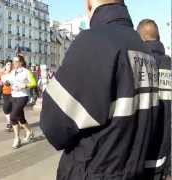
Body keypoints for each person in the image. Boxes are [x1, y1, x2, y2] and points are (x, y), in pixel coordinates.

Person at [40, 0, 161, 179]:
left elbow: (54, 125)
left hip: (95, 169)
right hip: (134, 168)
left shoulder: (94, 41)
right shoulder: (143, 48)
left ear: (89, 4)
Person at [137, 19, 171, 180]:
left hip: (138, 156)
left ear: (141, 38)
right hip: (164, 156)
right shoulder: (170, 64)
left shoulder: (136, 63)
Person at [8, 55, 37, 149]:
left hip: (22, 97)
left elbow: (34, 83)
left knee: (13, 117)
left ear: (21, 62)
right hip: (13, 96)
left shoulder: (26, 72)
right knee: (21, 118)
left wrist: (24, 86)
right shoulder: (12, 72)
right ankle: (29, 132)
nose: (14, 63)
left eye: (16, 62)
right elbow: (10, 82)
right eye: (13, 62)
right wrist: (6, 83)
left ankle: (17, 139)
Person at [0, 60, 13, 131]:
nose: (9, 66)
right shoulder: (3, 73)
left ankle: (10, 123)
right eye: (8, 64)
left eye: (10, 64)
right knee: (6, 108)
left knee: (12, 109)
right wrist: (1, 82)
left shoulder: (13, 73)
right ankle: (9, 122)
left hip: (13, 93)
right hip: (5, 93)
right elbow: (0, 81)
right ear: (6, 65)